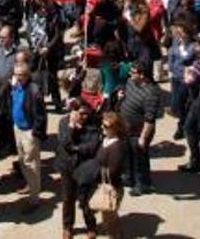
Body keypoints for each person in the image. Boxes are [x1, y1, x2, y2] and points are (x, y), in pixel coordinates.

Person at [80, 111, 126, 239]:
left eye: (106, 126)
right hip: (104, 184)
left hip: (112, 188)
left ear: (115, 128)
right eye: (102, 125)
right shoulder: (106, 139)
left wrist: (92, 170)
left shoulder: (117, 147)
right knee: (110, 219)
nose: (102, 128)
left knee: (110, 222)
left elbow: (113, 172)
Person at [119, 60, 163, 196]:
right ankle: (129, 177)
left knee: (140, 159)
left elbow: (149, 119)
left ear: (142, 75)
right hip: (125, 128)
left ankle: (143, 184)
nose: (129, 74)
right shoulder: (131, 82)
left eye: (132, 72)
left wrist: (143, 138)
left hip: (139, 131)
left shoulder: (152, 93)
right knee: (127, 154)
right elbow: (126, 92)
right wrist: (121, 95)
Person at [56, 99, 99, 239]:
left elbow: (92, 147)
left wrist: (75, 148)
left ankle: (91, 226)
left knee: (86, 199)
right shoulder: (64, 122)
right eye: (81, 114)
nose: (84, 117)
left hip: (85, 167)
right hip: (67, 167)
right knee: (68, 198)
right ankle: (68, 227)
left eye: (87, 114)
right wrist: (72, 127)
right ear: (74, 112)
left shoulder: (93, 124)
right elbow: (64, 142)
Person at [8, 61, 45, 209]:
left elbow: (40, 116)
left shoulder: (34, 90)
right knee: (23, 161)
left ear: (27, 75)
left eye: (21, 75)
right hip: (18, 128)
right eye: (16, 75)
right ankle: (30, 186)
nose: (18, 78)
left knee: (31, 164)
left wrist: (35, 133)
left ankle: (35, 198)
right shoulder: (16, 87)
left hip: (29, 131)